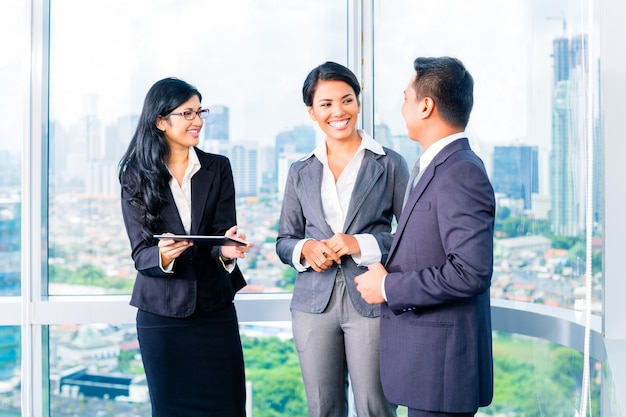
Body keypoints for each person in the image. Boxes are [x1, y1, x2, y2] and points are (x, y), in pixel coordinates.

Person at [355, 56, 495, 417]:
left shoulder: (460, 172)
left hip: (443, 372)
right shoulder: (437, 167)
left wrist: (389, 288)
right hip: (428, 369)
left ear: (426, 105)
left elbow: (470, 272)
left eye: (405, 98)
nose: (402, 107)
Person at [276, 61, 409, 417]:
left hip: (371, 300)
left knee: (375, 407)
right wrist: (305, 248)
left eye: (347, 100)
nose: (339, 112)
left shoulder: (390, 164)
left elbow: (410, 238)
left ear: (359, 103)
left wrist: (360, 244)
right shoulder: (299, 170)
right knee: (322, 408)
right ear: (311, 112)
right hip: (312, 304)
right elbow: (284, 239)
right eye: (326, 104)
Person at [118, 77, 252, 417]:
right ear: (161, 121)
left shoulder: (217, 167)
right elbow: (140, 254)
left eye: (199, 111)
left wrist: (226, 251)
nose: (198, 121)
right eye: (187, 113)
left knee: (228, 407)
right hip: (161, 317)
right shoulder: (136, 174)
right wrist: (163, 255)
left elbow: (222, 234)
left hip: (214, 311)